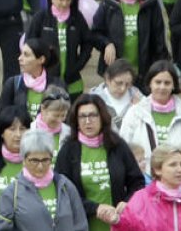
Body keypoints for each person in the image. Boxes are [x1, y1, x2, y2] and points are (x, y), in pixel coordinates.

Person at [55, 94, 145, 229]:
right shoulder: (68, 150)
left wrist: (127, 202)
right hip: (81, 225)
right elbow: (62, 192)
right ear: (76, 121)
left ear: (102, 117)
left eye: (93, 115)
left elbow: (137, 182)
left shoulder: (118, 146)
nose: (88, 121)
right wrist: (95, 208)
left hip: (118, 224)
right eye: (82, 116)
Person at [118, 60, 181, 187]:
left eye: (167, 83)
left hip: (180, 184)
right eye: (157, 82)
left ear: (174, 85)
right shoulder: (134, 113)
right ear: (150, 83)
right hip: (144, 185)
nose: (162, 87)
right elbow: (124, 151)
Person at [91, 0, 169, 89]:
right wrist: (107, 44)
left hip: (143, 72)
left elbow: (159, 40)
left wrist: (162, 68)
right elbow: (95, 33)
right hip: (115, 72)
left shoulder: (151, 4)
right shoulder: (108, 3)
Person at [107, 145, 181, 231]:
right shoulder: (141, 199)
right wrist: (117, 222)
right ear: (157, 170)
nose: (180, 169)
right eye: (173, 165)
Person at [0, 128, 88, 230]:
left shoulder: (65, 186)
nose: (40, 166)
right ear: (24, 160)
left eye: (45, 160)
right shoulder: (11, 194)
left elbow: (81, 224)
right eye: (34, 160)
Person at [25, 0, 95, 97]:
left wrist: (78, 65)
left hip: (72, 81)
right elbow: (30, 44)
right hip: (45, 80)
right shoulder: (41, 17)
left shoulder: (77, 18)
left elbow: (87, 43)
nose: (64, 3)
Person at [0, 38, 66, 119]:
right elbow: (1, 117)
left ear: (41, 59)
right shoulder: (13, 84)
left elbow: (64, 118)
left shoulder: (58, 86)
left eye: (26, 55)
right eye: (21, 53)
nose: (20, 58)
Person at [89, 59, 145, 131]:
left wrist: (141, 108)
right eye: (119, 83)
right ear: (107, 79)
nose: (123, 88)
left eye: (128, 84)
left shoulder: (138, 97)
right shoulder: (93, 99)